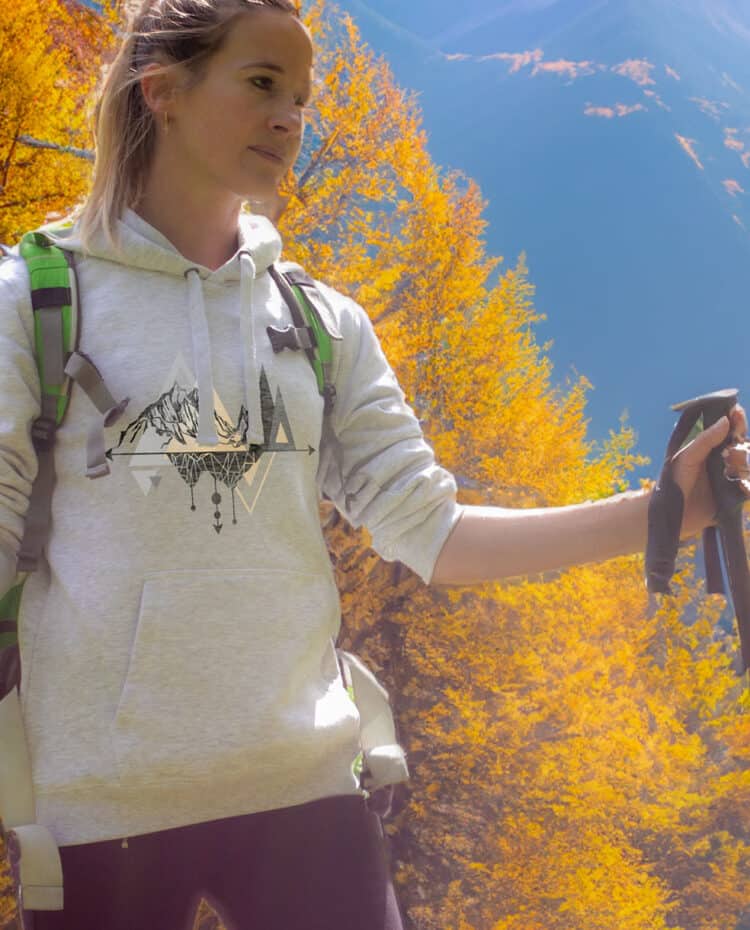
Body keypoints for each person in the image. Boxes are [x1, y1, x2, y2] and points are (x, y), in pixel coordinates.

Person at [0, 1, 744, 928]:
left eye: (303, 98)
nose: (291, 118)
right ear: (163, 92)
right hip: (98, 813)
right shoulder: (34, 304)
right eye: (263, 83)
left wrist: (664, 512)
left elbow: (431, 531)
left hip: (309, 795)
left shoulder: (321, 327)